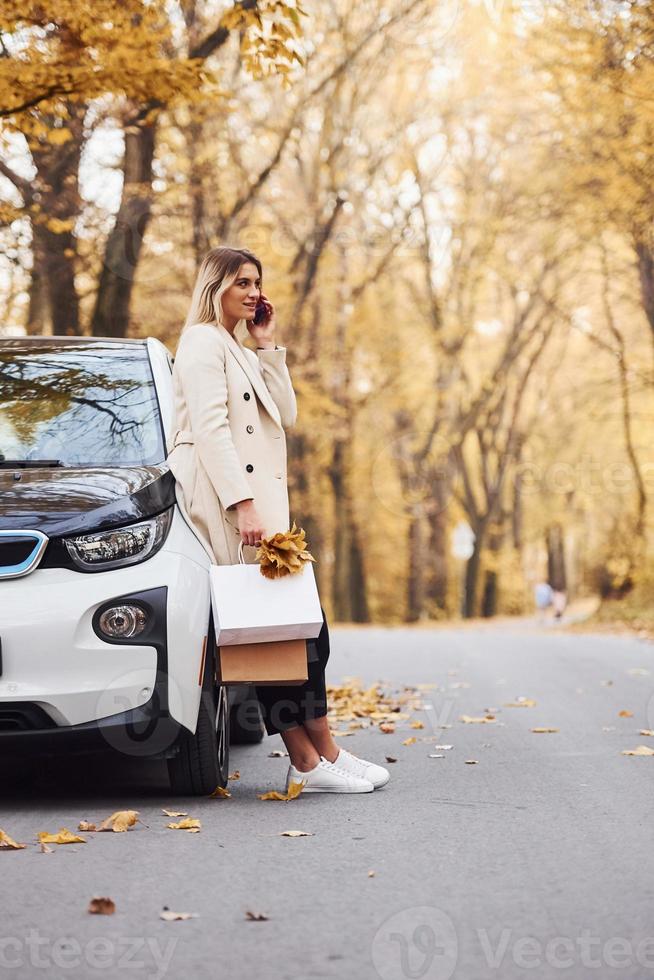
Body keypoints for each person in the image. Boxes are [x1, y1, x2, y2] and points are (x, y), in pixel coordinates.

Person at [166, 245, 389, 793]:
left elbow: (284, 416)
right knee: (270, 637)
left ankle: (322, 754)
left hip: (261, 513)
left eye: (257, 282)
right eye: (241, 282)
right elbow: (213, 431)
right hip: (232, 510)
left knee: (303, 633)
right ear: (215, 284)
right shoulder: (200, 343)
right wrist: (241, 503)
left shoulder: (236, 346)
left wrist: (267, 347)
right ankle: (312, 761)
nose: (253, 292)